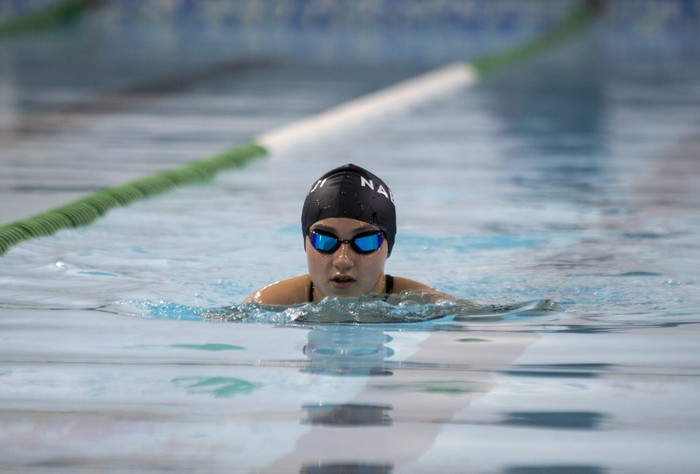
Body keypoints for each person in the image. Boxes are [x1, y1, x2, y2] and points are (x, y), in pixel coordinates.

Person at [244, 164, 454, 305]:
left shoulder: (428, 303)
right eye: (325, 240)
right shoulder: (268, 303)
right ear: (306, 242)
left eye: (365, 241)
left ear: (389, 247)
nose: (343, 260)